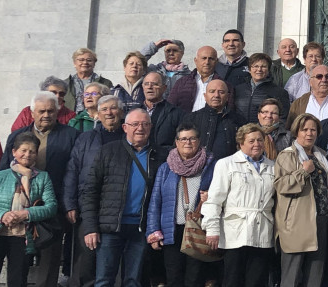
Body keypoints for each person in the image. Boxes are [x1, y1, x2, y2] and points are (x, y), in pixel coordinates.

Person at [2, 91, 80, 287]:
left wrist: (69, 203)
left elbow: (74, 172)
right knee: (19, 264)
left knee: (49, 261)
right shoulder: (17, 136)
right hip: (18, 210)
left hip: (54, 206)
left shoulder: (71, 136)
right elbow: (4, 171)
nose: (46, 115)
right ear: (32, 112)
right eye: (42, 111)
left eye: (51, 111)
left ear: (58, 111)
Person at [80, 109, 161, 287]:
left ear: (151, 127)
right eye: (135, 124)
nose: (140, 128)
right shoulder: (108, 151)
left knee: (133, 280)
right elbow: (90, 190)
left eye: (145, 124)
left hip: (140, 227)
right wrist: (90, 228)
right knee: (103, 280)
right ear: (125, 127)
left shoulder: (159, 155)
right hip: (110, 227)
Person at [202, 124, 276, 287]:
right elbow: (214, 200)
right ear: (241, 143)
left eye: (259, 140)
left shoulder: (273, 166)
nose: (256, 144)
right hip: (235, 232)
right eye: (251, 141)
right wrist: (212, 229)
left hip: (262, 232)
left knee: (257, 281)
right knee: (233, 280)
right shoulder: (226, 164)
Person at [64, 96, 125, 287]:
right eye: (104, 109)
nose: (109, 113)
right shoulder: (85, 138)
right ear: (97, 114)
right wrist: (70, 203)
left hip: (118, 208)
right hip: (87, 206)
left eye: (113, 108)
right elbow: (72, 171)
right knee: (86, 259)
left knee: (115, 262)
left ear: (121, 113)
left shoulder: (128, 138)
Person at [145, 124, 216, 287]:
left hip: (198, 229)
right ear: (176, 142)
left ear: (199, 141)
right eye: (183, 139)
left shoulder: (210, 166)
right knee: (174, 277)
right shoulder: (166, 168)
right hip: (172, 230)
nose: (188, 142)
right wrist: (153, 231)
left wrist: (210, 198)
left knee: (195, 278)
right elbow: (156, 201)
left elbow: (221, 197)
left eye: (192, 138)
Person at [274, 114, 328, 287]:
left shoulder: (320, 156)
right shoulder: (287, 156)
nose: (309, 133)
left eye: (313, 130)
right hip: (296, 222)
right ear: (296, 132)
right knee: (291, 276)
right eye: (304, 129)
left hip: (320, 219)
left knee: (315, 275)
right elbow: (281, 186)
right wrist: (303, 172)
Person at [0, 133, 58, 287]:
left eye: (32, 151)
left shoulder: (43, 177)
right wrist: (2, 215)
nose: (27, 155)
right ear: (14, 152)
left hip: (24, 235)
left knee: (17, 279)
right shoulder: (0, 176)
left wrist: (26, 213)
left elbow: (51, 207)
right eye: (23, 150)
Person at [179, 79, 246, 160]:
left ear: (228, 97)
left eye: (221, 92)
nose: (216, 95)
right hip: (198, 169)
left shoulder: (238, 120)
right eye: (212, 91)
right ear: (205, 96)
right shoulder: (191, 118)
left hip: (229, 169)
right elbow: (179, 146)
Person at [233, 52, 291, 124]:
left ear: (269, 70)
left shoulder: (279, 92)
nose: (259, 69)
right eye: (255, 66)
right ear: (249, 69)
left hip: (264, 133)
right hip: (240, 132)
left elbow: (283, 118)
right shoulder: (238, 89)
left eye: (263, 66)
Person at [12, 76, 77, 132]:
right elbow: (17, 133)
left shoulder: (71, 116)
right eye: (53, 93)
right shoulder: (27, 112)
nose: (57, 96)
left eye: (61, 94)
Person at [142, 71, 184, 156]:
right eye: (146, 84)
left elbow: (180, 143)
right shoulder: (134, 112)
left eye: (154, 84)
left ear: (164, 88)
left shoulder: (176, 113)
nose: (150, 87)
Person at [168, 46, 220, 113]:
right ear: (196, 60)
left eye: (211, 59)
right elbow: (169, 107)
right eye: (204, 58)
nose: (207, 62)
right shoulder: (181, 83)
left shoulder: (224, 85)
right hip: (184, 122)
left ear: (216, 61)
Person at [64, 48, 113, 113]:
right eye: (81, 60)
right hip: (70, 121)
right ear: (74, 63)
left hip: (95, 119)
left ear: (94, 63)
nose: (85, 62)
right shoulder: (65, 83)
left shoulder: (105, 83)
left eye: (89, 60)